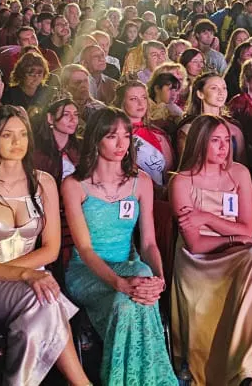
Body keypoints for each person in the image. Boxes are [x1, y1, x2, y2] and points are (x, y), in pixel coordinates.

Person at [0, 105, 88, 386]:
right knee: (44, 297)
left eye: (23, 134)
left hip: (25, 280)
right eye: (7, 135)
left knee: (43, 300)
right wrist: (23, 274)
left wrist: (11, 273)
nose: (17, 142)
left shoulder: (44, 182)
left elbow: (50, 249)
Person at [61, 107, 178, 386]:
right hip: (87, 272)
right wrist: (119, 283)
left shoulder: (141, 182)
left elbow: (148, 242)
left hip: (130, 269)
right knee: (131, 292)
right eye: (112, 136)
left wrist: (159, 278)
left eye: (126, 136)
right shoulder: (74, 185)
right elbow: (86, 251)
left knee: (134, 290)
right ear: (96, 139)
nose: (121, 144)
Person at [169, 114, 252, 386]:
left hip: (233, 250)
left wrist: (208, 219)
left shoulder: (239, 173)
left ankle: (249, 370)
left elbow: (247, 228)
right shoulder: (182, 182)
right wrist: (237, 239)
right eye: (216, 141)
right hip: (198, 262)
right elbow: (195, 244)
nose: (224, 147)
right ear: (200, 143)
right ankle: (245, 371)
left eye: (227, 140)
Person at [176, 74, 245, 163]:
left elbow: (242, 162)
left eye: (224, 88)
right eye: (214, 88)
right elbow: (185, 164)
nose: (221, 92)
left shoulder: (234, 127)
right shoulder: (188, 128)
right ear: (200, 94)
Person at [117, 80, 174, 186]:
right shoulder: (114, 135)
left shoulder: (158, 134)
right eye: (133, 99)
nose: (140, 103)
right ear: (122, 102)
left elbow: (167, 173)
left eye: (143, 97)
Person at [32, 97, 82, 183]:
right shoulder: (37, 152)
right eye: (66, 114)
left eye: (76, 114)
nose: (73, 120)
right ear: (50, 118)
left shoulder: (81, 147)